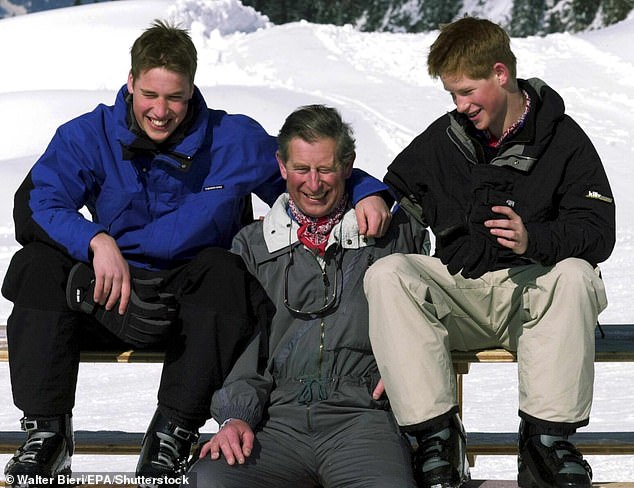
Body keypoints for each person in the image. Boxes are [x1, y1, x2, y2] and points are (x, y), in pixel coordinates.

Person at [1, 21, 393, 486]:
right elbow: (39, 203)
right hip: (111, 293)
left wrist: (369, 192)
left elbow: (306, 176)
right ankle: (47, 435)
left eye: (175, 98)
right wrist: (95, 240)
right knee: (35, 266)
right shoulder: (89, 135)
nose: (161, 111)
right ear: (130, 83)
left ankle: (173, 433)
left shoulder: (232, 139)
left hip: (196, 315)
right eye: (150, 95)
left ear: (192, 91)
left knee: (225, 270)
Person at [363, 16, 615, 488]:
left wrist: (533, 239)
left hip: (537, 302)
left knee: (578, 274)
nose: (459, 106)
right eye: (451, 96)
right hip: (462, 296)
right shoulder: (445, 138)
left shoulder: (565, 140)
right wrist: (369, 196)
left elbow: (599, 231)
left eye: (465, 92)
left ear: (500, 74)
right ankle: (437, 439)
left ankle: (546, 443)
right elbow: (389, 188)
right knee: (390, 273)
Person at [186, 104, 430, 487]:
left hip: (363, 419)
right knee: (210, 480)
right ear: (282, 167)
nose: (313, 183)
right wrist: (235, 417)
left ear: (348, 166)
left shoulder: (393, 236)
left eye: (325, 169)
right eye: (301, 169)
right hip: (274, 424)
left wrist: (405, 365)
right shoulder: (252, 246)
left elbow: (431, 309)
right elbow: (241, 347)